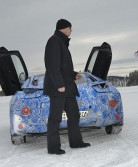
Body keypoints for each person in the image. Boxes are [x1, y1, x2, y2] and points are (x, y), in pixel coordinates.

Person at [44, 19, 90, 155]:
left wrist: (74, 74)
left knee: (74, 115)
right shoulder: (54, 41)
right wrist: (59, 85)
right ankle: (53, 148)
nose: (71, 31)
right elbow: (52, 66)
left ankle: (76, 142)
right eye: (71, 28)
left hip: (68, 87)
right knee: (55, 118)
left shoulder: (61, 42)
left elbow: (63, 67)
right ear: (65, 28)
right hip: (59, 88)